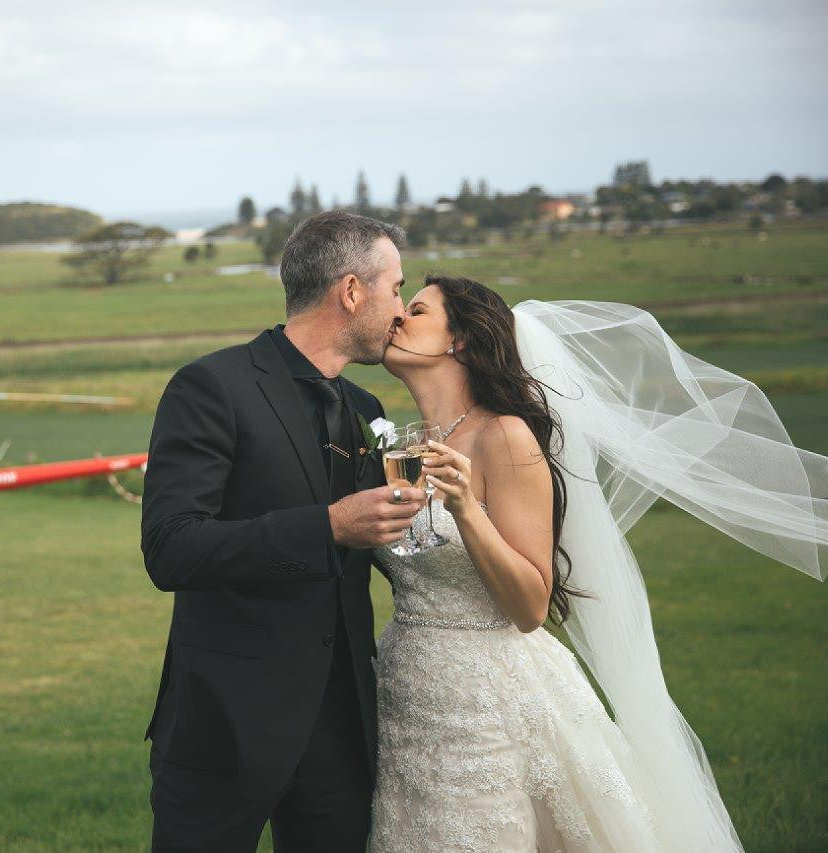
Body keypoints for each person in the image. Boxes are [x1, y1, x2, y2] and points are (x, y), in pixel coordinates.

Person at [369, 274, 828, 851]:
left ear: (459, 340)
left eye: (416, 310)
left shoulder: (505, 437)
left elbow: (532, 605)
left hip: (489, 705)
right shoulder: (401, 448)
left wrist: (466, 509)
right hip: (405, 695)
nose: (397, 320)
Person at [140, 210, 423, 852]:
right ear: (351, 292)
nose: (401, 310)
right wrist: (326, 527)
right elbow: (171, 548)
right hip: (225, 724)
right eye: (396, 288)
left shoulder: (367, 409)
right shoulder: (211, 387)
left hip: (341, 730)